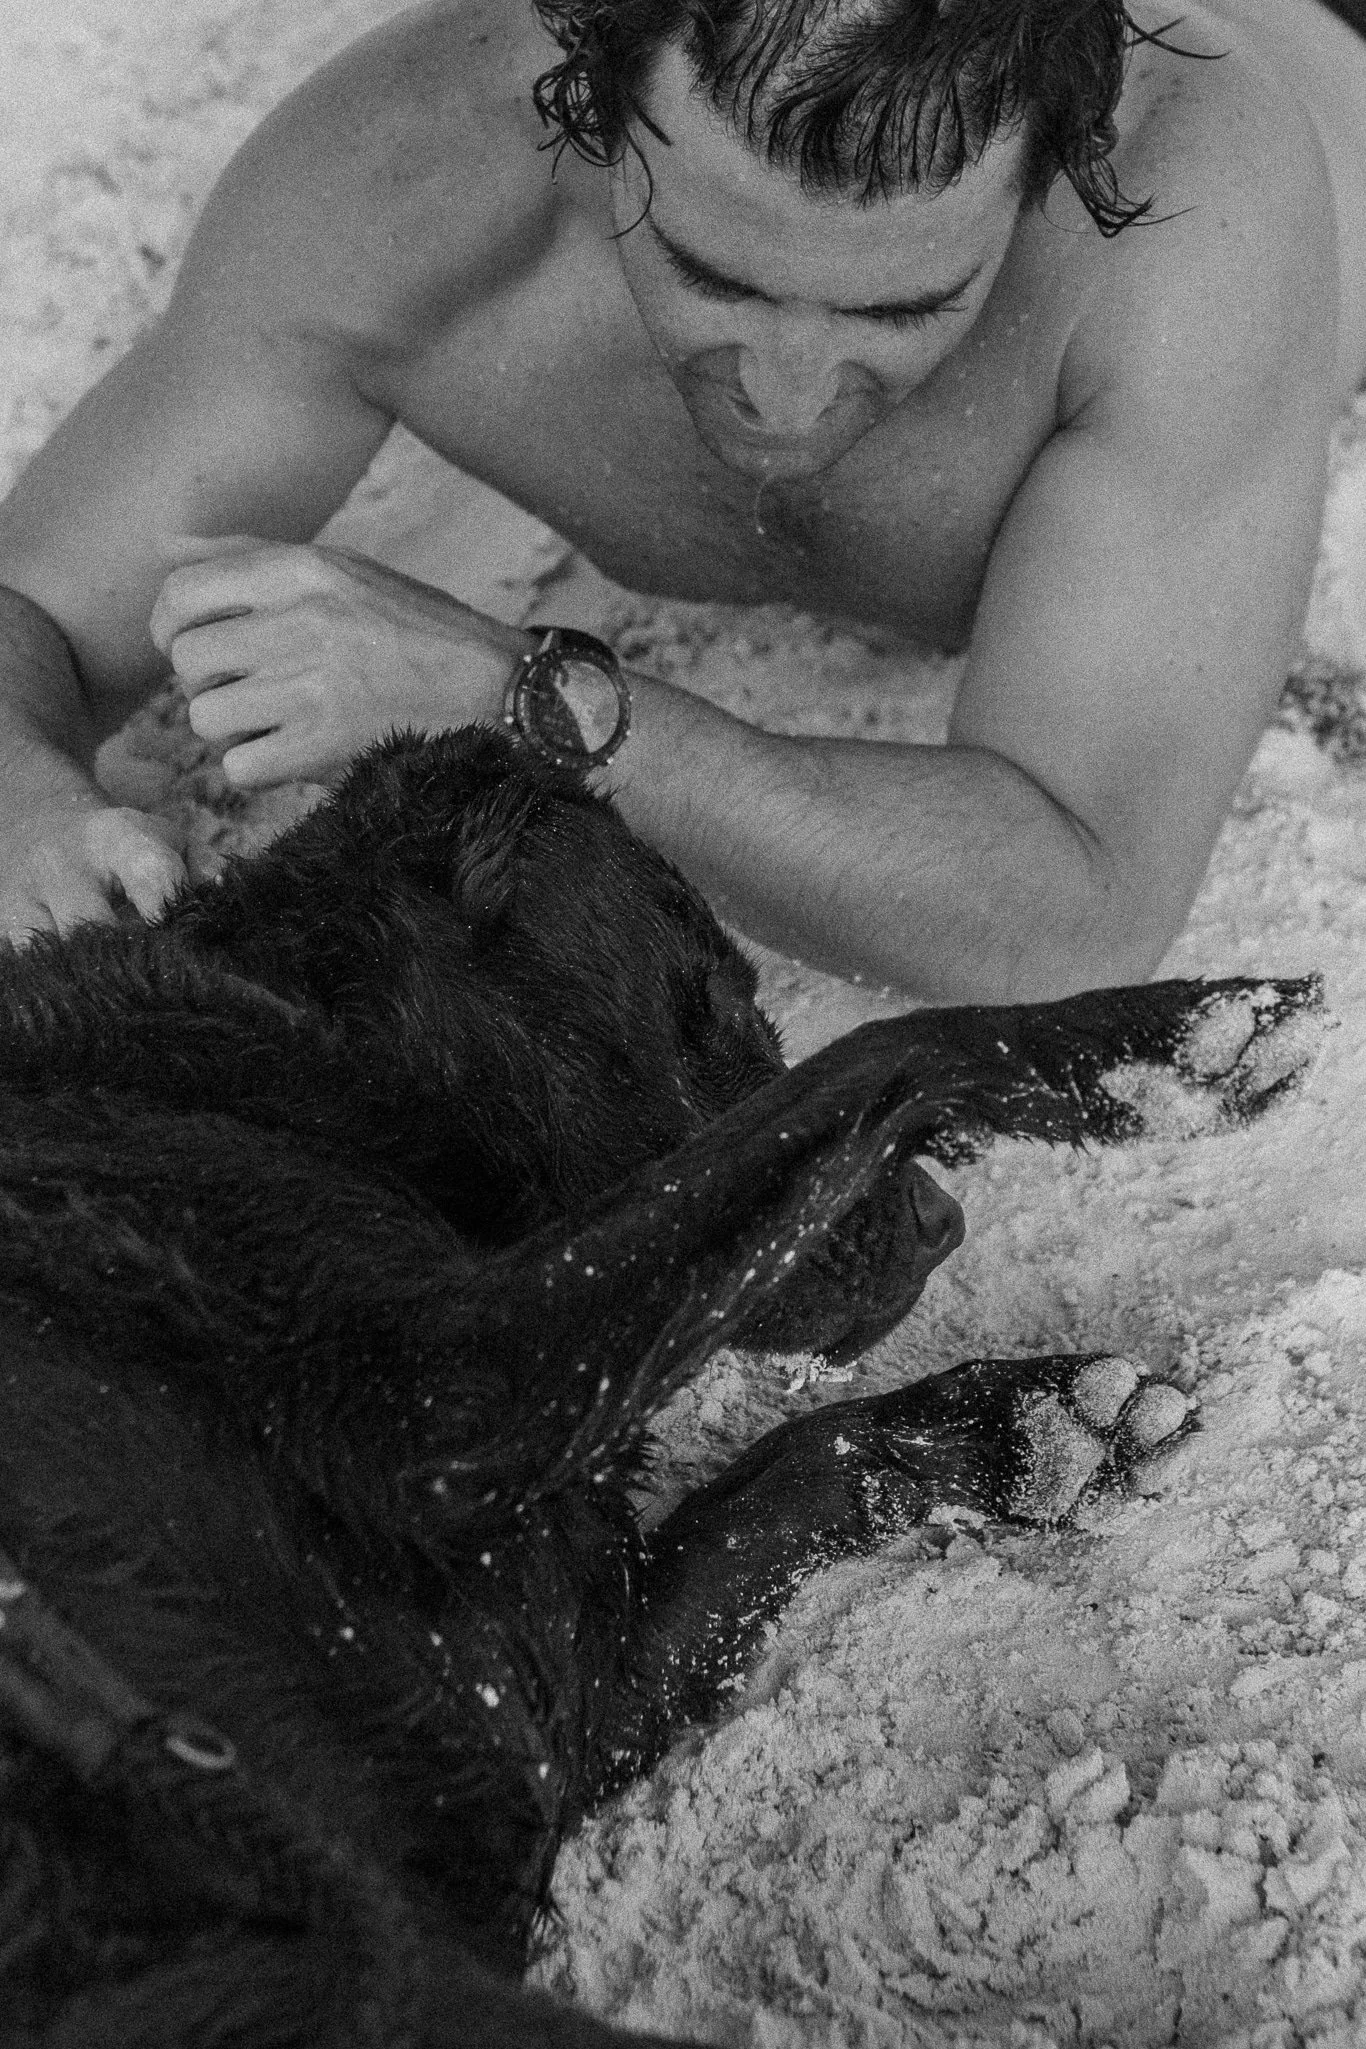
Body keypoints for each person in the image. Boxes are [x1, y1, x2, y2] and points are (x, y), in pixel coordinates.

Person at [0, 0, 1362, 1001]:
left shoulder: (1184, 220)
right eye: (719, 276)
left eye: (903, 305)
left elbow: (1077, 902)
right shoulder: (399, 176)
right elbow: (31, 617)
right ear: (585, 107)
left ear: (1058, 170)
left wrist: (513, 694)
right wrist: (25, 805)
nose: (788, 389)